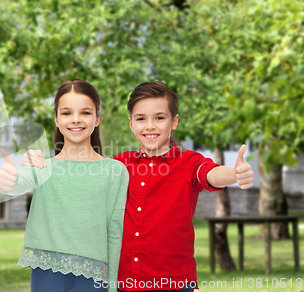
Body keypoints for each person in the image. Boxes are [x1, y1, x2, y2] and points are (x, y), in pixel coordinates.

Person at [20, 81, 254, 291]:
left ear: (174, 121)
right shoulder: (118, 165)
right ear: (131, 124)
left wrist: (234, 174)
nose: (150, 126)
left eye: (159, 118)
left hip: (173, 283)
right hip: (125, 283)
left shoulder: (188, 162)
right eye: (141, 118)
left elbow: (211, 174)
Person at [0, 79, 129, 292]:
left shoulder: (115, 171)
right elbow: (16, 184)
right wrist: (8, 178)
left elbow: (115, 232)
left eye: (85, 113)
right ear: (56, 120)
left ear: (97, 119)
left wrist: (112, 287)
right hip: (46, 273)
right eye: (67, 113)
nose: (76, 120)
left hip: (93, 277)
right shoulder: (41, 166)